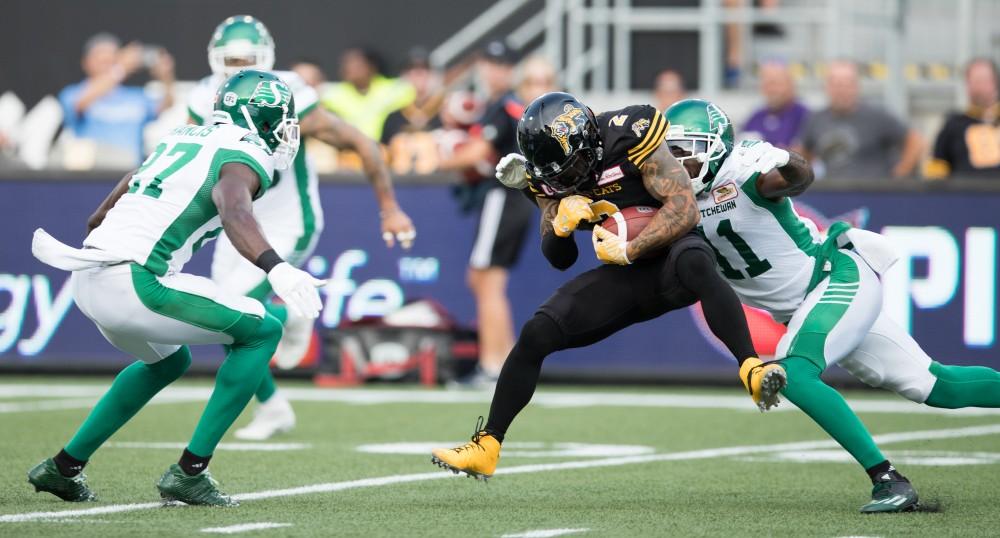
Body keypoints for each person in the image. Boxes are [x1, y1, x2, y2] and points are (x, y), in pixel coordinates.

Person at [664, 98, 1000, 513]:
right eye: (669, 152)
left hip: (834, 276)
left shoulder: (745, 172)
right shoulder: (669, 196)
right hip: (808, 304)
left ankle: (887, 480)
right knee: (935, 386)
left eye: (683, 151)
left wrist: (788, 161)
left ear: (714, 148)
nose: (674, 163)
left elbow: (795, 177)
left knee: (794, 370)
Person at [430, 92, 783, 479]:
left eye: (570, 167)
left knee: (695, 259)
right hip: (628, 276)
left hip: (672, 257)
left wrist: (631, 248)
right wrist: (560, 227)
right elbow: (559, 258)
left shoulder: (629, 134)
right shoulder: (546, 173)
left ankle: (751, 367)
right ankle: (488, 445)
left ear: (589, 140)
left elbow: (685, 209)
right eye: (555, 175)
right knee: (538, 332)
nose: (565, 179)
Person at [29, 71, 323, 506]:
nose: (284, 130)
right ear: (259, 117)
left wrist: (110, 229)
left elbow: (116, 197)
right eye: (280, 119)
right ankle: (190, 472)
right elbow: (233, 209)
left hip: (88, 275)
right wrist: (276, 267)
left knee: (169, 363)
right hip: (135, 282)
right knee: (262, 330)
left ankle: (63, 467)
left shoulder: (180, 138)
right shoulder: (243, 154)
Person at [187, 15, 416, 440]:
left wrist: (389, 208)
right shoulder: (203, 95)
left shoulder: (286, 93)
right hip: (238, 219)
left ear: (266, 60)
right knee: (224, 320)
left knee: (232, 308)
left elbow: (361, 142)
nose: (238, 69)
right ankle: (273, 404)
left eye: (247, 60)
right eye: (231, 60)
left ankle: (289, 317)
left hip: (288, 219)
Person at [437, 43, 554, 388]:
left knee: (486, 281)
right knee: (485, 281)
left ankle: (493, 365)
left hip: (504, 197)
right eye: (491, 63)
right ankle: (504, 363)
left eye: (503, 65)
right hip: (513, 199)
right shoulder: (507, 107)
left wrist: (432, 157)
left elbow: (477, 152)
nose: (496, 70)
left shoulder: (507, 107)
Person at [58, 33, 176, 167]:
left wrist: (166, 77)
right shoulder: (73, 93)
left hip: (128, 176)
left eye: (111, 60)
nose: (107, 64)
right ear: (86, 62)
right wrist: (120, 68)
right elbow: (79, 104)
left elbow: (166, 104)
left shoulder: (135, 96)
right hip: (91, 175)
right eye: (101, 60)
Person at [798, 60, 923, 180]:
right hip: (832, 194)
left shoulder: (877, 116)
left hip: (873, 194)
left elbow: (915, 141)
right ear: (827, 87)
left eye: (847, 84)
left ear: (856, 86)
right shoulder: (816, 119)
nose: (842, 90)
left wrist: (900, 174)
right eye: (837, 84)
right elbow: (802, 154)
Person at [926, 58, 1000, 179]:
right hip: (967, 194)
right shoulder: (954, 125)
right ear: (967, 85)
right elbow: (936, 168)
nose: (980, 87)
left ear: (995, 82)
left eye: (985, 80)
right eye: (976, 81)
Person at [321, 46, 415, 140]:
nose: (350, 69)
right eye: (347, 65)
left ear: (371, 67)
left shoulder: (395, 89)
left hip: (388, 146)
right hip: (348, 149)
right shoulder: (334, 93)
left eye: (357, 66)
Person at [743, 60, 809, 148]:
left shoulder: (805, 116)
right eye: (767, 84)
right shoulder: (755, 118)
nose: (772, 90)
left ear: (790, 84)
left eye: (775, 83)